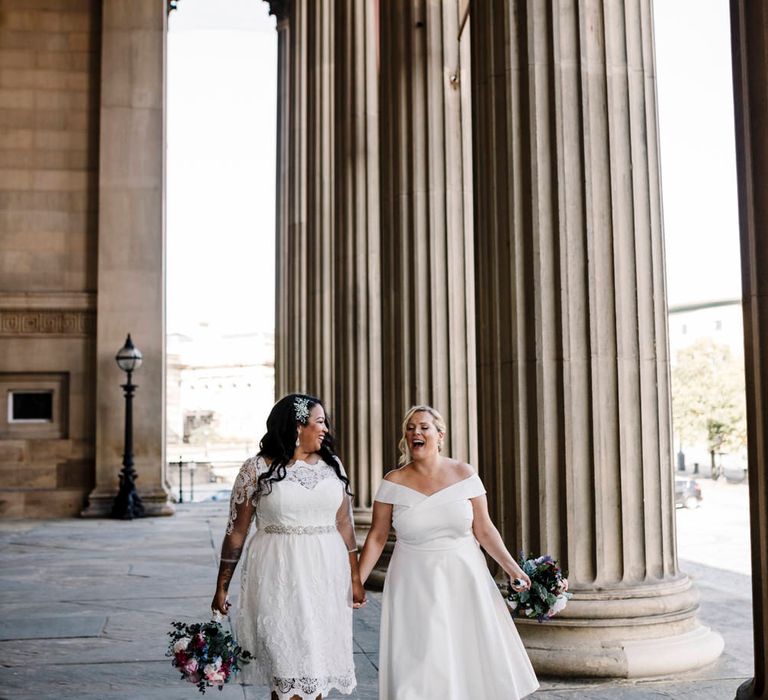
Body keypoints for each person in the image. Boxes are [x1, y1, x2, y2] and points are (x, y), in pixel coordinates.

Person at [357, 405, 539, 700]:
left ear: (440, 435)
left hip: (463, 577)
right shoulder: (392, 482)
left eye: (424, 427)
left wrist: (512, 568)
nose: (416, 432)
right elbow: (377, 537)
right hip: (413, 582)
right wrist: (358, 583)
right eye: (411, 428)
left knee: (466, 655)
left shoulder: (464, 473)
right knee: (421, 659)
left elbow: (485, 529)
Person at [211, 393, 365, 700]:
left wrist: (356, 578)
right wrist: (222, 586)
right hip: (278, 578)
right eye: (320, 422)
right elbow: (236, 533)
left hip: (325, 580)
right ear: (298, 425)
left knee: (316, 673)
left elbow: (345, 525)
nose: (326, 430)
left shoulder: (332, 466)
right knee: (287, 673)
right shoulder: (255, 469)